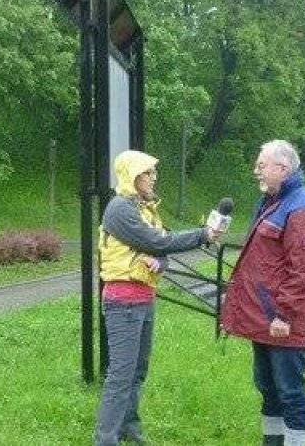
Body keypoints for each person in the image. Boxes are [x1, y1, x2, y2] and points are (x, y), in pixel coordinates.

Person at [94, 149, 223, 446]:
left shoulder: (147, 208)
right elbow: (156, 240)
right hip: (122, 301)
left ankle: (130, 429)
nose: (154, 178)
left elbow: (160, 249)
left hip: (145, 297)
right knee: (121, 375)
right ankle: (105, 440)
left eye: (154, 172)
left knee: (138, 371)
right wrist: (202, 235)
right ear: (132, 175)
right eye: (148, 173)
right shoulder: (119, 208)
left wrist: (160, 262)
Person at [220, 140, 305, 446]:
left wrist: (284, 314)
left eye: (261, 165)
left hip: (282, 322)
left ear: (282, 169)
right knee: (267, 388)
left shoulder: (303, 206)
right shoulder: (274, 201)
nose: (256, 171)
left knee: (291, 393)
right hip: (263, 320)